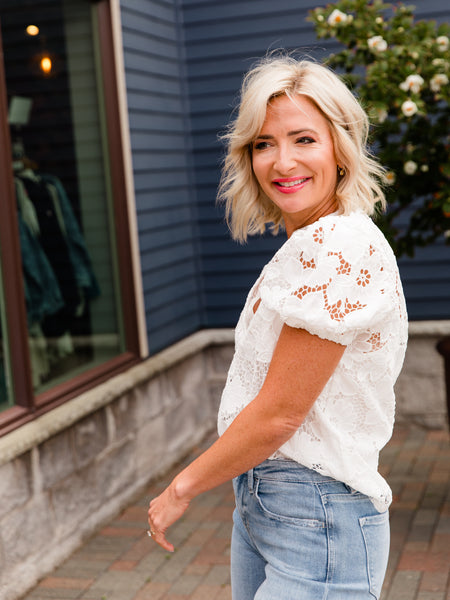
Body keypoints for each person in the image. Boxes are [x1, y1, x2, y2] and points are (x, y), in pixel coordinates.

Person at [148, 54, 408, 599]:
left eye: (303, 139)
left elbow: (280, 413)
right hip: (275, 500)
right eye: (263, 144)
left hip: (319, 511)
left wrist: (181, 488)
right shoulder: (312, 242)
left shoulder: (337, 245)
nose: (282, 161)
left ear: (341, 148)